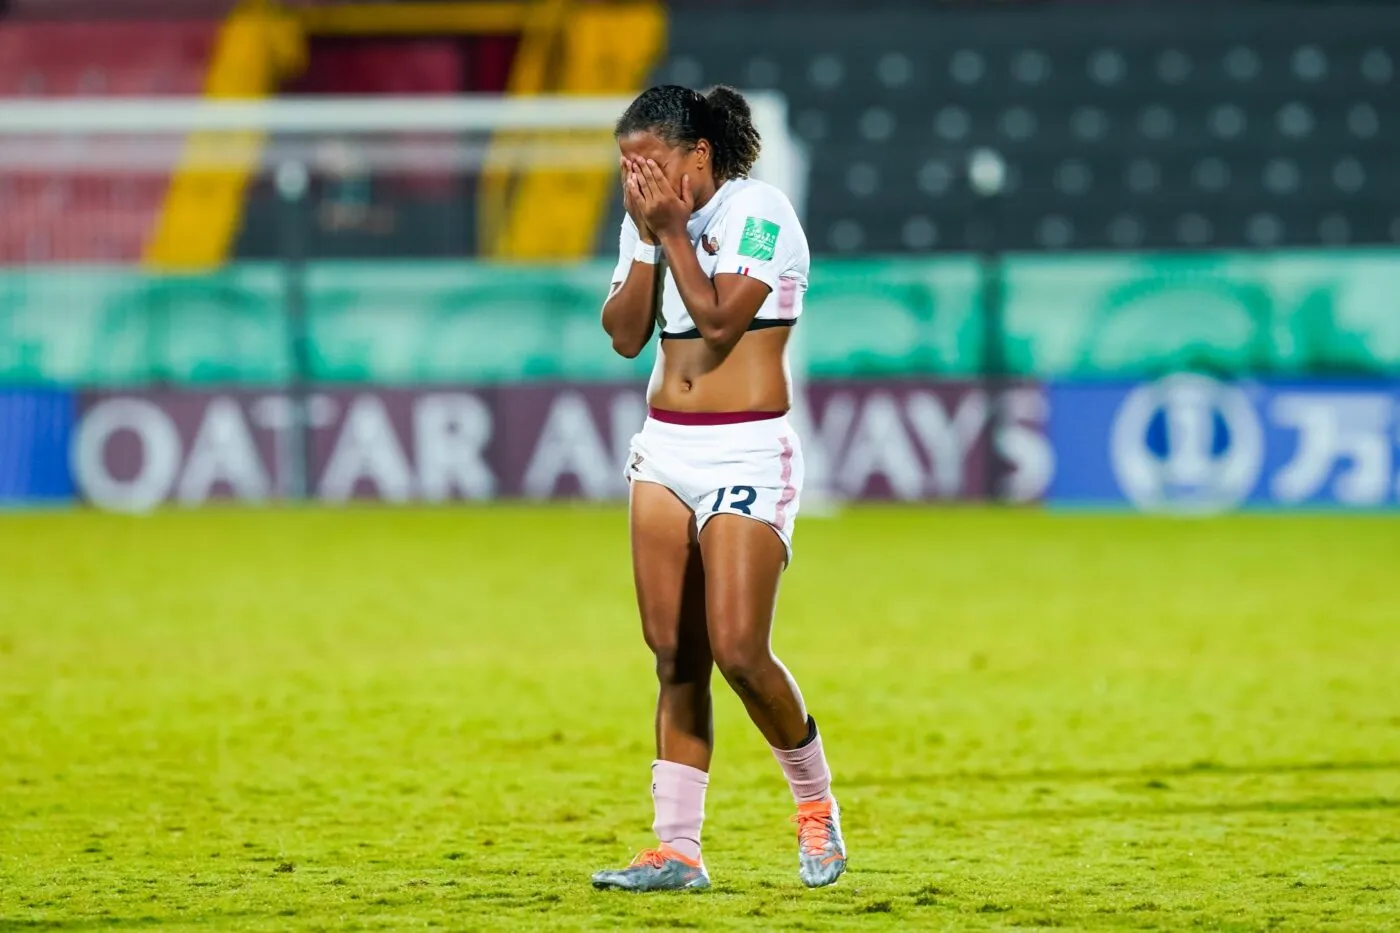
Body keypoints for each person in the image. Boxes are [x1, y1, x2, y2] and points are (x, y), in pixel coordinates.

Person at [590, 85, 846, 893]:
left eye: (651, 163)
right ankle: (677, 847)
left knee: (738, 649)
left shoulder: (759, 212)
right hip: (664, 449)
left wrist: (667, 233)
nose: (639, 179)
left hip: (744, 452)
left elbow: (719, 322)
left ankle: (815, 803)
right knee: (674, 653)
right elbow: (628, 335)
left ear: (696, 155)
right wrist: (642, 240)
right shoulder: (649, 221)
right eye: (627, 166)